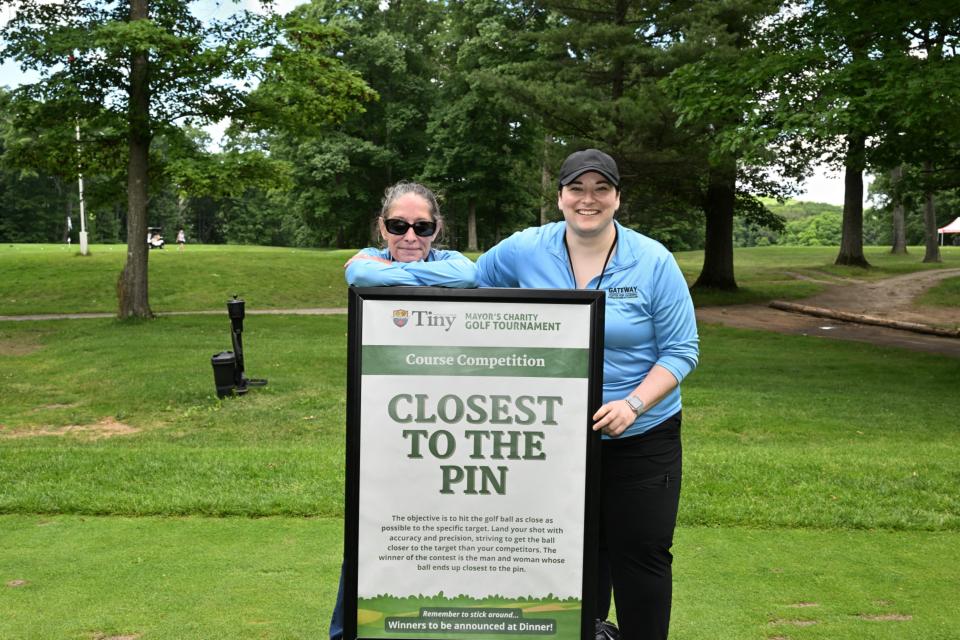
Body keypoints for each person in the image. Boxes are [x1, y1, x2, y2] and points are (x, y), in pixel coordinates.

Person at [476, 149, 699, 640]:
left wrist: (633, 403)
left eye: (601, 189)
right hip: (556, 435)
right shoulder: (525, 249)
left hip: (642, 433)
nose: (588, 199)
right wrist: (380, 265)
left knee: (641, 554)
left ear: (618, 198)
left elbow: (682, 351)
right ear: (560, 197)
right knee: (572, 553)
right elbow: (471, 283)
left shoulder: (653, 260)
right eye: (577, 188)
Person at [331, 181, 477, 640]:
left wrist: (397, 274)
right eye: (398, 226)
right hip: (387, 419)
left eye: (422, 226)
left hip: (446, 415)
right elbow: (358, 277)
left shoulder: (450, 262)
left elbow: (466, 278)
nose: (410, 236)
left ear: (438, 228)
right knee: (371, 530)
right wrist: (394, 273)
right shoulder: (365, 259)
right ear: (382, 226)